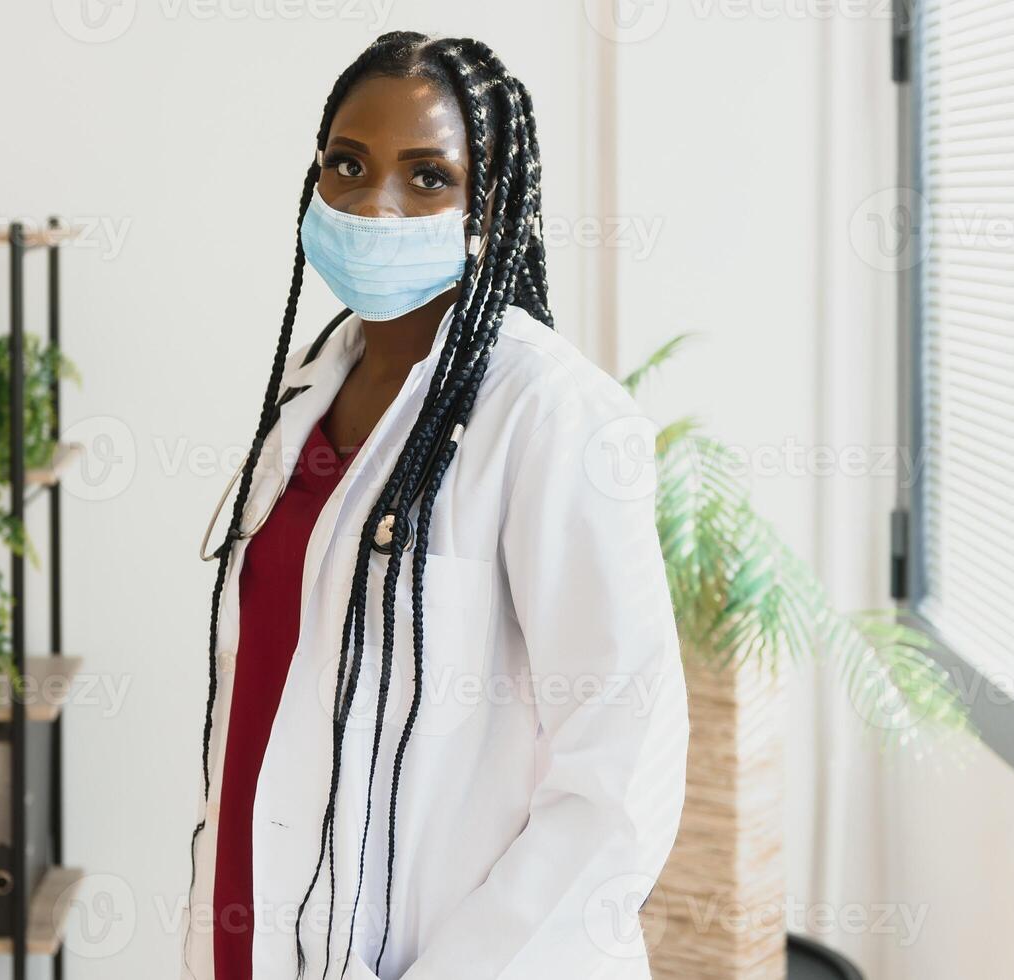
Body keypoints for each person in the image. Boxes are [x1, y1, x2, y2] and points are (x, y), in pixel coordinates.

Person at [186, 31, 688, 980]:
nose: (375, 204)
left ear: (487, 207)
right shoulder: (303, 395)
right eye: (349, 164)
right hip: (253, 931)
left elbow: (620, 776)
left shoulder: (552, 417)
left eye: (426, 178)